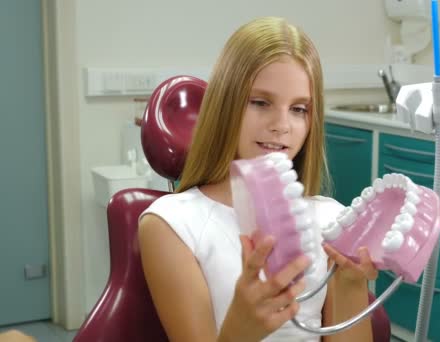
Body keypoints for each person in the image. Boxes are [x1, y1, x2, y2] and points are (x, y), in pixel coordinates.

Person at [138, 16, 378, 342]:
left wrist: (351, 283)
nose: (282, 125)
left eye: (299, 109)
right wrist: (242, 328)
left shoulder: (330, 219)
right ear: (226, 106)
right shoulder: (171, 224)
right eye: (261, 102)